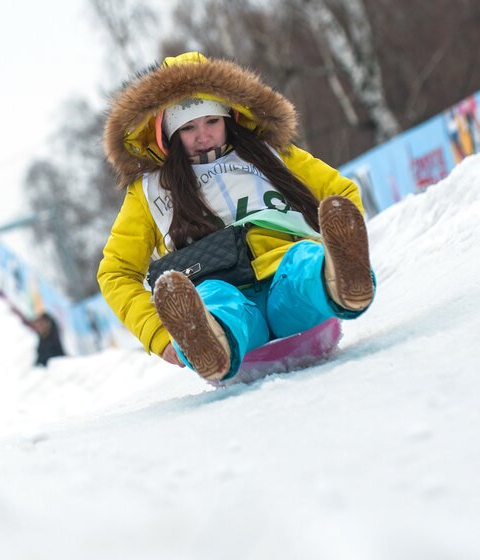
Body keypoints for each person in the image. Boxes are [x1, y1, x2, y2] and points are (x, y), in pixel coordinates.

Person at [97, 52, 375, 383]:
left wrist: (337, 236)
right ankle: (208, 343)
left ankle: (340, 281)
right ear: (166, 135)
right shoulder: (150, 191)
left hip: (284, 279)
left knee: (304, 262)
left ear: (230, 117)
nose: (203, 136)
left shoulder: (271, 155)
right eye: (188, 128)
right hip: (223, 290)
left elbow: (339, 194)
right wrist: (157, 333)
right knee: (214, 300)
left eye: (211, 122)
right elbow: (116, 272)